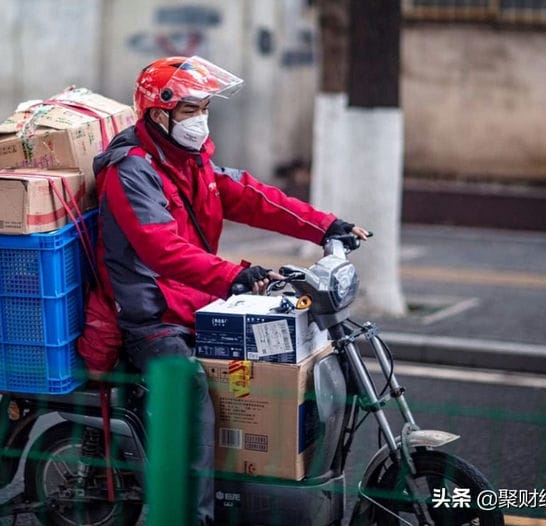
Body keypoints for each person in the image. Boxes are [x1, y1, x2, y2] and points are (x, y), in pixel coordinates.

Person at [77, 55, 369, 525]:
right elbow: (161, 250)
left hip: (194, 300)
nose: (201, 119)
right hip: (150, 314)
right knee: (192, 391)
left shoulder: (191, 163)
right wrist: (233, 276)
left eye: (204, 108)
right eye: (191, 110)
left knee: (275, 351)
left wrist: (326, 226)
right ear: (159, 115)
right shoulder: (131, 171)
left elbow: (255, 197)